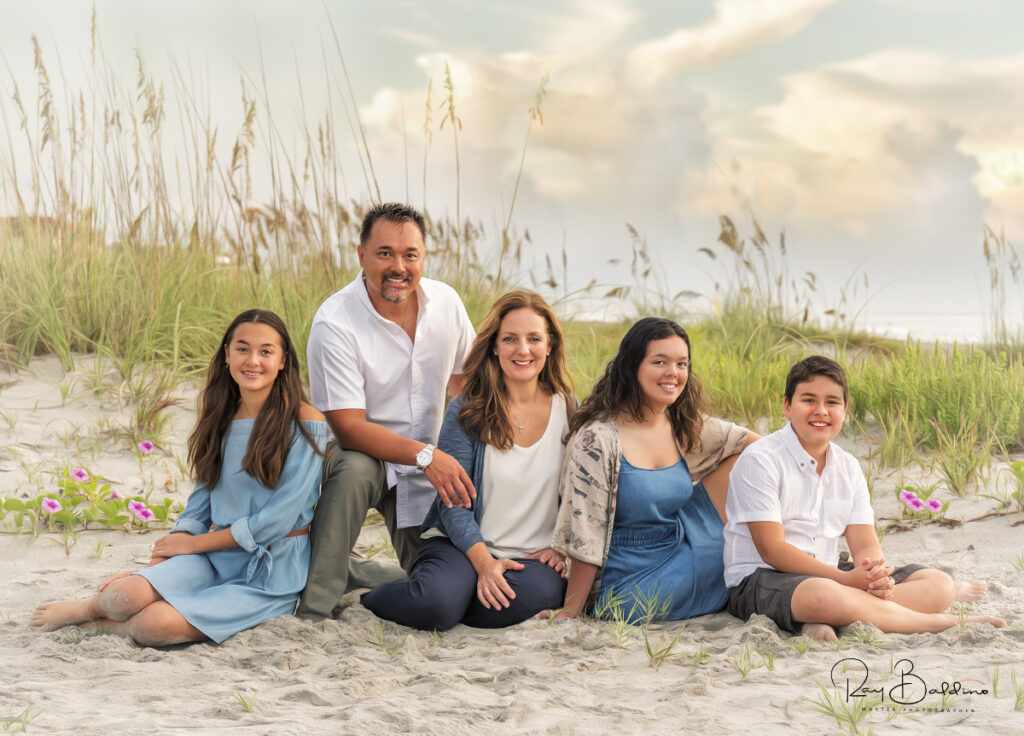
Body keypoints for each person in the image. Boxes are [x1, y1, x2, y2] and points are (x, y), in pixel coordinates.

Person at [29, 310, 327, 645]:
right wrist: (156, 569)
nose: (253, 360)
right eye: (242, 349)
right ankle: (86, 608)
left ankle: (108, 628)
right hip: (213, 559)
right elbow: (198, 510)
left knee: (151, 626)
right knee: (122, 596)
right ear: (227, 354)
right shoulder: (220, 419)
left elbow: (278, 519)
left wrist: (195, 544)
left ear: (283, 360)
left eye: (266, 351)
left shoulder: (304, 421)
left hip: (268, 571)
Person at [723, 355, 1004, 641]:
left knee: (939, 584)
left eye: (832, 402)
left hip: (830, 573)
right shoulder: (761, 459)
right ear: (787, 406)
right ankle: (936, 621)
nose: (821, 411)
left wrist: (875, 578)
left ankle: (827, 619)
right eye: (809, 400)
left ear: (845, 409)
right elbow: (772, 550)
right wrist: (845, 580)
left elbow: (865, 543)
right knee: (824, 596)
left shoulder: (847, 466)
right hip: (762, 577)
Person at [297, 202, 476, 620]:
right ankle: (316, 605)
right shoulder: (335, 322)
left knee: (439, 585)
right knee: (357, 468)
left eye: (409, 254)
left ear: (423, 256)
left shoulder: (446, 304)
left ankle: (356, 573)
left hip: (426, 466)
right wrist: (428, 456)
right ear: (361, 255)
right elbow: (348, 429)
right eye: (384, 253)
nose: (398, 266)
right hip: (360, 458)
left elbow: (468, 387)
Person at [361, 291, 573, 629]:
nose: (523, 350)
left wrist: (562, 547)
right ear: (493, 346)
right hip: (461, 547)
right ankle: (368, 595)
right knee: (434, 606)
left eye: (534, 338)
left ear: (550, 345)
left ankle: (452, 596)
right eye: (510, 339)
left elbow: (582, 496)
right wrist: (485, 564)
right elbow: (453, 505)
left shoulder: (570, 411)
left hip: (530, 560)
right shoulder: (468, 410)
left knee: (536, 593)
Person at [549, 317, 757, 624]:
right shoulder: (598, 440)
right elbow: (586, 535)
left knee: (750, 462)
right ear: (633, 366)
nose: (673, 372)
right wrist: (571, 610)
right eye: (660, 361)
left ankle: (801, 552)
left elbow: (756, 447)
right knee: (745, 558)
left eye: (682, 363)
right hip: (630, 574)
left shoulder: (682, 423)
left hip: (685, 538)